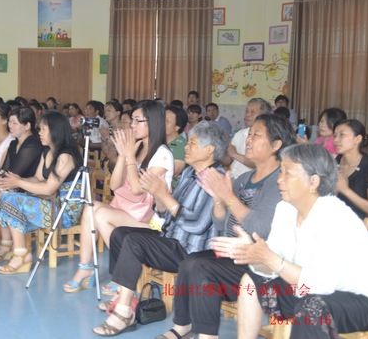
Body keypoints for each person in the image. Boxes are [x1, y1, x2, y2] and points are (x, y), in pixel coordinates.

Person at [155, 113, 296, 339]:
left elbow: (260, 228)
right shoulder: (244, 178)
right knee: (191, 262)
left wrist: (228, 196)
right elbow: (222, 223)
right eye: (249, 134)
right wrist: (219, 199)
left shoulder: (279, 182)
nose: (248, 139)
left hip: (262, 264)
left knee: (202, 268)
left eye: (256, 135)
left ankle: (205, 334)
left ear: (276, 145)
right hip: (235, 253)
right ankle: (185, 324)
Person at [91, 121, 229, 337]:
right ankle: (123, 294)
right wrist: (159, 195)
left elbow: (198, 225)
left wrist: (164, 195)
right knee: (120, 234)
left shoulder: (215, 178)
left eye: (192, 142)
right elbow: (166, 213)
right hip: (171, 238)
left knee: (134, 241)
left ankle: (124, 312)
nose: (186, 146)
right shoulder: (189, 174)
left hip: (191, 250)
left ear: (209, 150)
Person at [234, 144, 368, 338]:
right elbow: (273, 262)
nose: (279, 180)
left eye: (287, 173)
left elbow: (321, 284)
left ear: (313, 181)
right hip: (309, 290)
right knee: (251, 283)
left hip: (358, 300)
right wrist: (251, 253)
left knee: (312, 306)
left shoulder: (336, 218)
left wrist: (272, 260)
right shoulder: (285, 209)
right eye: (280, 172)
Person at [64, 100, 174, 293]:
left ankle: (118, 272)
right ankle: (87, 268)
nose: (132, 125)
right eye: (132, 120)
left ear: (153, 123)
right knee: (91, 208)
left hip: (153, 222)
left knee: (99, 214)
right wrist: (123, 155)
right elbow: (115, 186)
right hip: (129, 213)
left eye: (138, 121)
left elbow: (138, 189)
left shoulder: (162, 155)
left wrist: (129, 156)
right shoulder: (137, 148)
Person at [0, 112, 83, 274]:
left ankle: (20, 255)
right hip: (51, 203)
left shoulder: (66, 157)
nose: (39, 133)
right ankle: (20, 252)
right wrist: (17, 180)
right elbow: (37, 178)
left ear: (56, 131)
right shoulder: (47, 151)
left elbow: (49, 188)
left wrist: (19, 183)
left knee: (12, 200)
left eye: (43, 129)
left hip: (65, 212)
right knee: (7, 197)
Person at [0, 106, 43, 254]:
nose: (10, 126)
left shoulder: (32, 144)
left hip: (29, 190)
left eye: (15, 123)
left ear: (27, 126)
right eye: (10, 122)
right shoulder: (13, 143)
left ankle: (5, 243)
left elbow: (14, 174)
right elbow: (3, 171)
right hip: (12, 187)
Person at [223, 98, 272, 180]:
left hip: (249, 182)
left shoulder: (268, 137)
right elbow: (228, 160)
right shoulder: (240, 134)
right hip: (232, 177)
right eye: (247, 111)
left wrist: (234, 154)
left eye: (253, 112)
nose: (248, 115)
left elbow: (257, 164)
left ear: (264, 115)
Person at [334, 119, 368, 219]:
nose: (336, 140)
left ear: (357, 139)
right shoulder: (334, 163)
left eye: (342, 135)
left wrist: (345, 190)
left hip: (358, 226)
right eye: (335, 135)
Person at [165, 105, 188, 188]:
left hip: (173, 191)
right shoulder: (157, 141)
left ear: (177, 127)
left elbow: (172, 173)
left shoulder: (182, 145)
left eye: (166, 121)